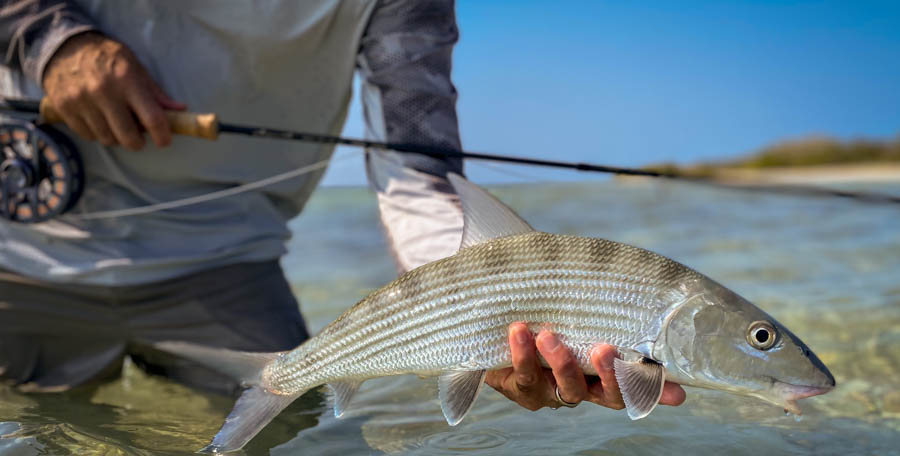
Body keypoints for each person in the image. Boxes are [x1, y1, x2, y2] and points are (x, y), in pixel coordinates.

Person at [0, 1, 684, 413]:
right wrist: (52, 38)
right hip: (22, 249)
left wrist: (488, 322)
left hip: (227, 259)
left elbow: (417, 174)